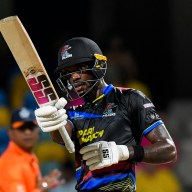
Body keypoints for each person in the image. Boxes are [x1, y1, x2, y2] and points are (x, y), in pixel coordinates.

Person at [35, 37, 177, 192]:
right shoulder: (73, 111)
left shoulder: (129, 98)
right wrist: (52, 121)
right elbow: (61, 136)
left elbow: (169, 150)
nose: (74, 77)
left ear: (98, 65)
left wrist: (121, 152)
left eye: (79, 69)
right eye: (68, 73)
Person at [0, 107, 64, 192]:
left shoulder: (29, 155)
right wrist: (41, 189)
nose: (28, 132)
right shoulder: (9, 164)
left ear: (38, 132)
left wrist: (43, 186)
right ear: (11, 133)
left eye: (31, 127)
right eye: (21, 128)